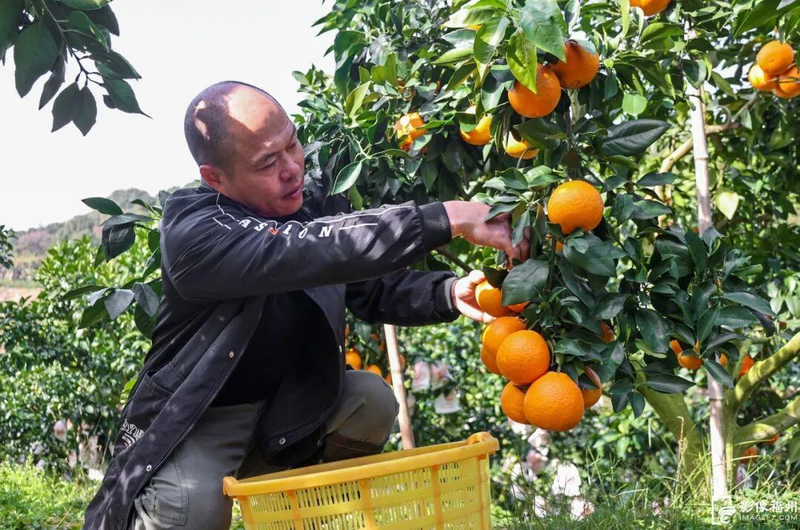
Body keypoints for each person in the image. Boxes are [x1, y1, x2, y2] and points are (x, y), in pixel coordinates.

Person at [83, 81, 528, 530]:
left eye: (292, 144)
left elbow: (366, 286)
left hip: (285, 410)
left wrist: (448, 292)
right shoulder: (194, 230)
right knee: (192, 510)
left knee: (370, 401)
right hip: (201, 419)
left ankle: (293, 514)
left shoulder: (308, 202)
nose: (293, 168)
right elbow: (306, 249)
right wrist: (445, 217)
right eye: (267, 163)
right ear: (215, 177)